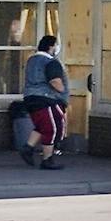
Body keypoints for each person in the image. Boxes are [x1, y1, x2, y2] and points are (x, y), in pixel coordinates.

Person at [20, 35, 68, 171]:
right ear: (51, 46)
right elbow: (55, 81)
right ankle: (47, 159)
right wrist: (63, 90)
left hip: (30, 98)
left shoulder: (31, 60)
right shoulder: (50, 62)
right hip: (47, 99)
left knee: (41, 126)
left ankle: (28, 148)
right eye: (55, 45)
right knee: (52, 128)